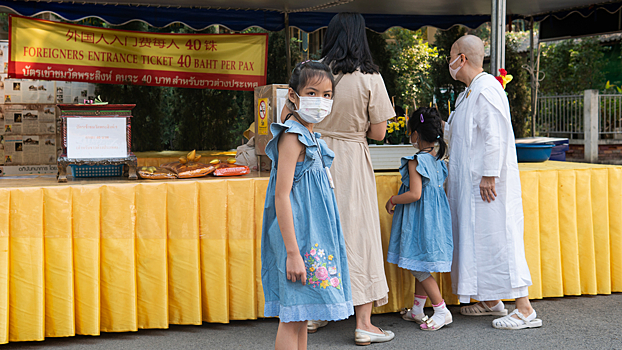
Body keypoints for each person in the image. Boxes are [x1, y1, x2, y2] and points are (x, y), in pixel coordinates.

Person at [307, 13, 395, 346]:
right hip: (352, 159)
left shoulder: (315, 73)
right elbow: (379, 131)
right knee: (359, 236)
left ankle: (315, 312)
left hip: (316, 157)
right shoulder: (371, 78)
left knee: (320, 230)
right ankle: (364, 323)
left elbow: (296, 115)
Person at [444, 34, 542, 330]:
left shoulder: (487, 89)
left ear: (462, 58)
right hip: (469, 184)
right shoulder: (468, 93)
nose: (448, 62)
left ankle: (524, 309)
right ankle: (490, 300)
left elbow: (494, 136)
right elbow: (461, 135)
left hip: (487, 185)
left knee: (500, 237)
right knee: (479, 241)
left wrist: (489, 174)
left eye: (450, 55)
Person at [261, 60, 354, 350]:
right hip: (297, 238)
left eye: (327, 95)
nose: (321, 101)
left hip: (310, 236)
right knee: (292, 318)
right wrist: (292, 253)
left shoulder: (310, 134)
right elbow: (281, 195)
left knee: (302, 314)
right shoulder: (292, 135)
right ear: (293, 95)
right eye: (312, 93)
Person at [385, 107, 453, 331]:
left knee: (419, 268)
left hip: (419, 223)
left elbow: (415, 194)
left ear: (415, 134)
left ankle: (441, 309)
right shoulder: (438, 162)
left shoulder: (415, 161)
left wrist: (393, 199)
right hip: (433, 222)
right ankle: (417, 309)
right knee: (420, 264)